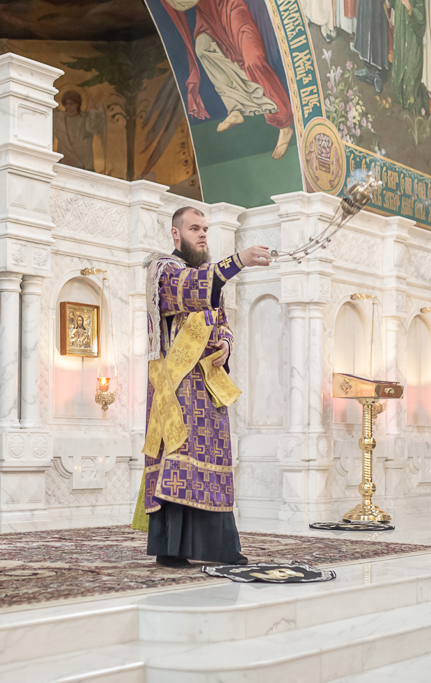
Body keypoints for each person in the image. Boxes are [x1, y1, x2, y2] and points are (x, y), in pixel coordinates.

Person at [140, 206, 271, 568]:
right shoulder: (163, 269)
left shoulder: (206, 274)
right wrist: (239, 260)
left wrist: (226, 343)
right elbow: (190, 289)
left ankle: (218, 548)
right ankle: (171, 549)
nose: (201, 234)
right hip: (176, 387)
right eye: (194, 228)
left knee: (213, 461)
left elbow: (220, 321)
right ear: (175, 233)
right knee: (179, 460)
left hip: (208, 386)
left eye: (205, 229)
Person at [162, 0, 294, 160]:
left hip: (231, 7)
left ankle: (283, 124)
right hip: (208, 13)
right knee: (203, 48)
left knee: (253, 61)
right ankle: (235, 107)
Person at [389, 0, 429, 112]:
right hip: (401, 33)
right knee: (398, 84)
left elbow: (421, 18)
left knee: (411, 88)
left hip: (412, 37)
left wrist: (409, 7)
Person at [53, 91, 106, 172]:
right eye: (66, 103)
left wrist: (96, 108)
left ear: (78, 104)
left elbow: (95, 129)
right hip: (65, 161)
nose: (68, 106)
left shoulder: (86, 118)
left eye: (71, 103)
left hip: (84, 162)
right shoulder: (59, 118)